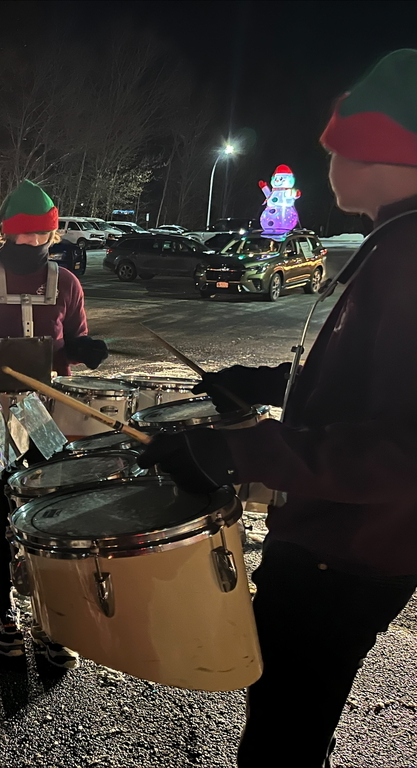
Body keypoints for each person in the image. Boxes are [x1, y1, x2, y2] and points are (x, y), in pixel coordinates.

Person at [137, 49, 417, 767]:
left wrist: (239, 450)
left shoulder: (413, 253)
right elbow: (364, 384)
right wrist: (264, 383)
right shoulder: (396, 241)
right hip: (338, 541)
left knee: (281, 743)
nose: (327, 166)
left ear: (380, 151)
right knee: (289, 721)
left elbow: (402, 448)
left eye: (336, 150)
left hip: (348, 555)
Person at [0, 179, 109, 667]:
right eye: (25, 235)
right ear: (7, 234)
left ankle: (52, 616)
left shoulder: (68, 284)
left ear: (53, 234)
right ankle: (5, 608)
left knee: (51, 513)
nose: (34, 244)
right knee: (2, 511)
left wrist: (80, 349)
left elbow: (75, 339)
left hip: (47, 411)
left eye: (42, 236)